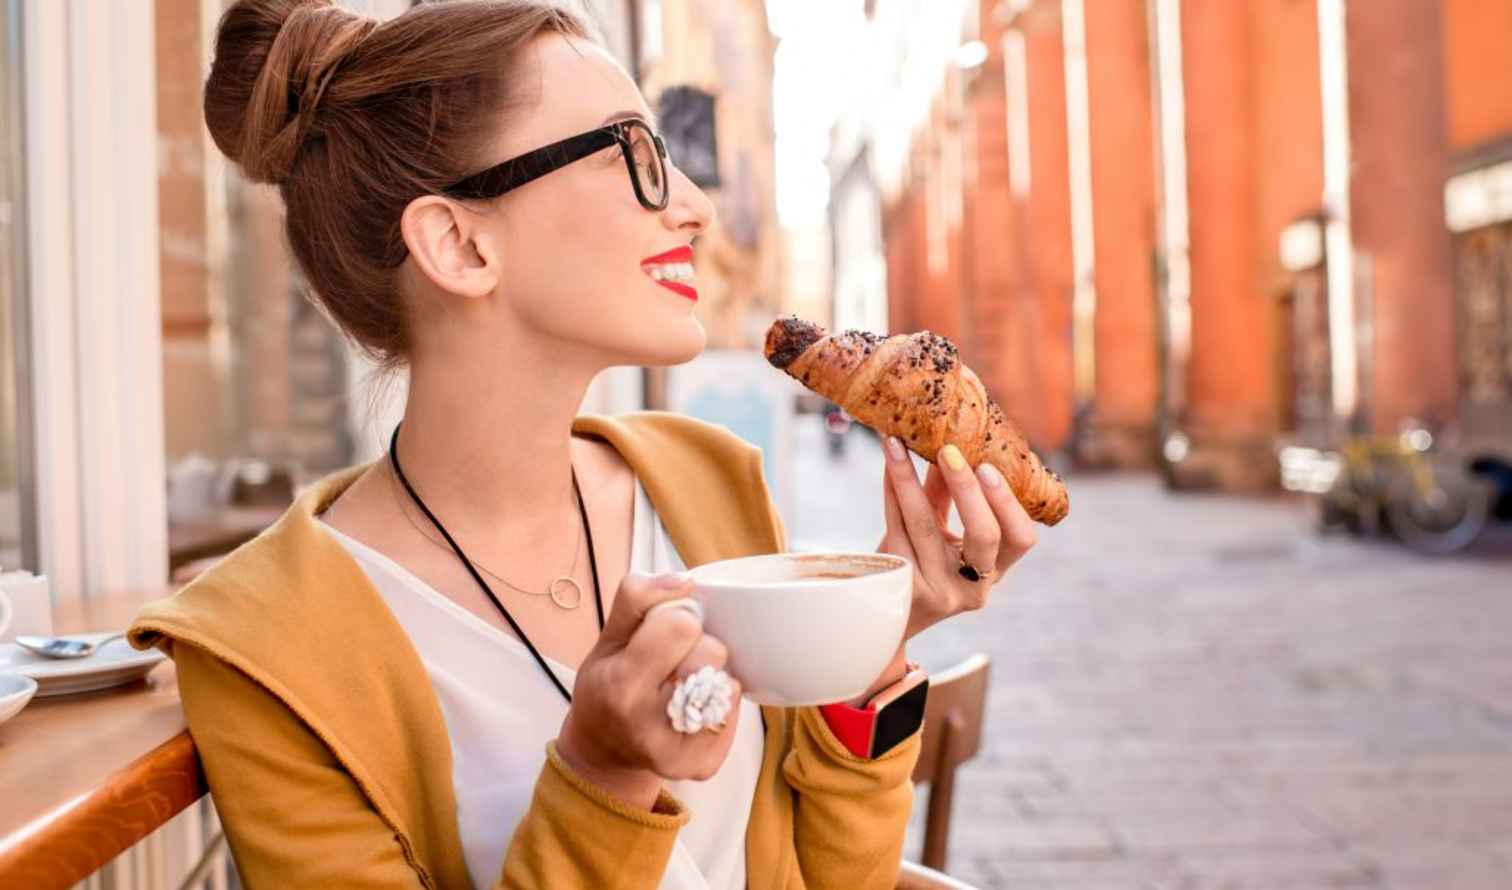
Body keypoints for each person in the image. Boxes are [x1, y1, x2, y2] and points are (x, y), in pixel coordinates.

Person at [127, 1, 1039, 888]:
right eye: (633, 153)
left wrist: (868, 644)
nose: (692, 208)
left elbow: (836, 879)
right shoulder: (260, 651)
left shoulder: (705, 480)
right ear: (458, 244)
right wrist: (602, 779)